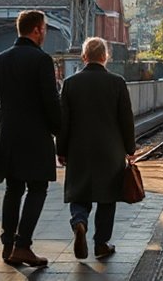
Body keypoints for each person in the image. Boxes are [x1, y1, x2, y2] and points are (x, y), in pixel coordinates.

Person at [0, 10, 61, 267]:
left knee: (13, 188)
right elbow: (51, 102)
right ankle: (23, 245)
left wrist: (1, 122)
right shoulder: (41, 60)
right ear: (37, 29)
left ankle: (7, 245)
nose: (45, 33)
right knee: (37, 188)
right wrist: (60, 133)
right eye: (45, 29)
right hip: (36, 135)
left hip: (8, 134)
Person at [57, 37, 135, 260]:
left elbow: (64, 122)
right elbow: (126, 119)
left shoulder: (70, 83)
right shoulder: (117, 82)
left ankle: (79, 222)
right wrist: (130, 147)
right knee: (107, 198)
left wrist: (60, 150)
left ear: (84, 57)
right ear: (105, 57)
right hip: (110, 150)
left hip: (78, 149)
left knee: (79, 193)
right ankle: (101, 243)